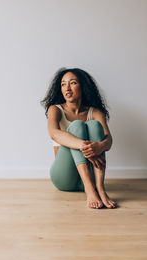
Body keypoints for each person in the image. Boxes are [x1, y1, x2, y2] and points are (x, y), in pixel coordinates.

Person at [41, 67, 117, 209]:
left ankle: (100, 188)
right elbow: (54, 133)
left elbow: (109, 140)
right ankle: (90, 190)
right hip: (64, 178)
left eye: (73, 83)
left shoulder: (95, 112)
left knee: (94, 125)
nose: (67, 88)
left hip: (92, 176)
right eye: (63, 84)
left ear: (83, 86)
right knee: (77, 126)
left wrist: (100, 146)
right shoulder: (55, 109)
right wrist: (85, 145)